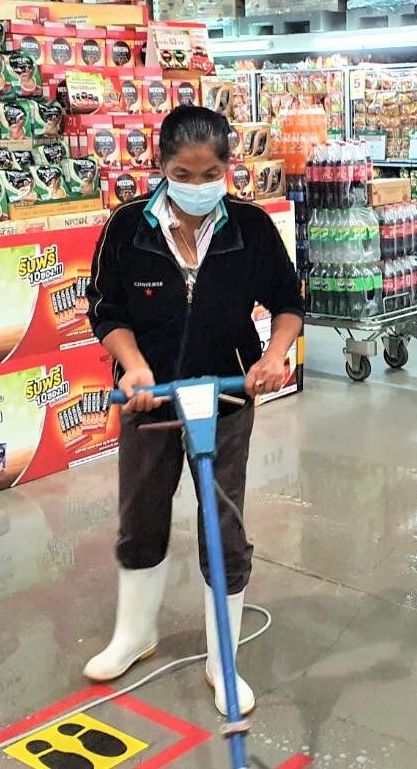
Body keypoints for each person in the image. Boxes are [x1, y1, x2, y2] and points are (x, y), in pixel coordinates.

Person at [83, 105, 304, 716]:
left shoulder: (251, 228)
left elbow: (287, 303)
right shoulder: (127, 227)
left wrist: (274, 356)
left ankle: (221, 657)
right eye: (184, 173)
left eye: (211, 174)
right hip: (149, 399)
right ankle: (134, 634)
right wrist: (133, 365)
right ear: (162, 166)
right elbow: (105, 310)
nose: (198, 185)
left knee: (223, 522)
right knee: (141, 511)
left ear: (228, 168)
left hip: (226, 395)